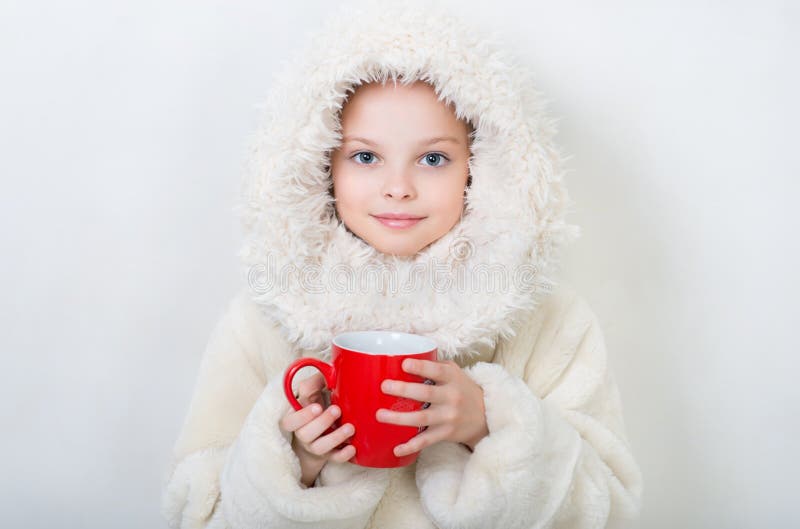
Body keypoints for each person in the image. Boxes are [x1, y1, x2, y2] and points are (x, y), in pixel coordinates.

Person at [160, 2, 643, 528]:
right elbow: (193, 513)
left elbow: (610, 510)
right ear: (320, 164)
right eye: (365, 157)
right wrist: (294, 462)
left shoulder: (549, 322)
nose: (398, 187)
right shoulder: (262, 321)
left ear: (482, 168)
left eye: (433, 158)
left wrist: (493, 425)